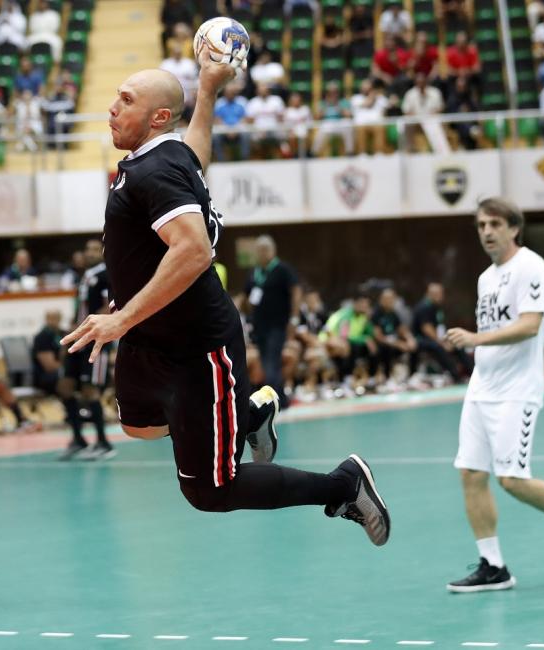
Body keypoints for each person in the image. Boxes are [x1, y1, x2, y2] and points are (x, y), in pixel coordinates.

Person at [61, 48, 389, 544]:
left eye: (125, 100)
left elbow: (193, 250)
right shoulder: (165, 155)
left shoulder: (155, 173)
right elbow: (197, 154)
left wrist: (122, 318)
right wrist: (209, 89)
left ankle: (344, 484)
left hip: (196, 348)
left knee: (211, 490)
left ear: (158, 117)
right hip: (152, 337)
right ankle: (251, 415)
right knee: (140, 425)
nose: (111, 107)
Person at [444, 198, 544, 592]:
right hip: (481, 389)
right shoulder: (486, 278)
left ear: (513, 228)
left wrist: (474, 339)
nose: (486, 231)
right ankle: (494, 566)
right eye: (481, 225)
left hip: (515, 392)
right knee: (471, 474)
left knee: (513, 481)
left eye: (494, 224)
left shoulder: (532, 268)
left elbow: (528, 326)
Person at [60, 238, 113, 460]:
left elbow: (109, 306)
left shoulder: (106, 275)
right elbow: (80, 310)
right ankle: (78, 439)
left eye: (94, 249)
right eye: (87, 249)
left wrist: (87, 327)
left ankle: (103, 442)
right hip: (78, 339)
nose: (90, 253)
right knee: (65, 386)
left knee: (91, 391)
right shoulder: (85, 276)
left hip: (95, 340)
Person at [245, 235, 300, 409]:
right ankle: (281, 399)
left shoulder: (283, 269)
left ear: (272, 251)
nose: (262, 253)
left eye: (265, 250)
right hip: (259, 326)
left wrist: (294, 317)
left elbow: (296, 291)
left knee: (272, 363)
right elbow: (247, 296)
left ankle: (273, 402)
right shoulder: (255, 272)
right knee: (264, 362)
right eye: (259, 250)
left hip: (277, 325)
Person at [411, 282, 472, 381]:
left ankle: (472, 373)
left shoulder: (436, 307)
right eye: (437, 294)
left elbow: (440, 327)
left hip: (436, 338)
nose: (441, 296)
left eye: (441, 293)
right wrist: (442, 343)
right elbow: (427, 329)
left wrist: (447, 340)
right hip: (420, 339)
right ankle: (456, 376)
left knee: (456, 344)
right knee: (438, 347)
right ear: (429, 294)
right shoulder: (424, 307)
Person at [370, 288, 416, 381]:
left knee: (414, 346)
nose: (390, 301)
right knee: (387, 349)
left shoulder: (393, 313)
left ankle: (412, 375)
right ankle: (387, 378)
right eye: (387, 299)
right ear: (381, 299)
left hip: (394, 341)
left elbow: (401, 329)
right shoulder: (376, 313)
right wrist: (397, 343)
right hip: (381, 343)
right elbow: (378, 336)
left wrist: (410, 339)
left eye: (392, 299)